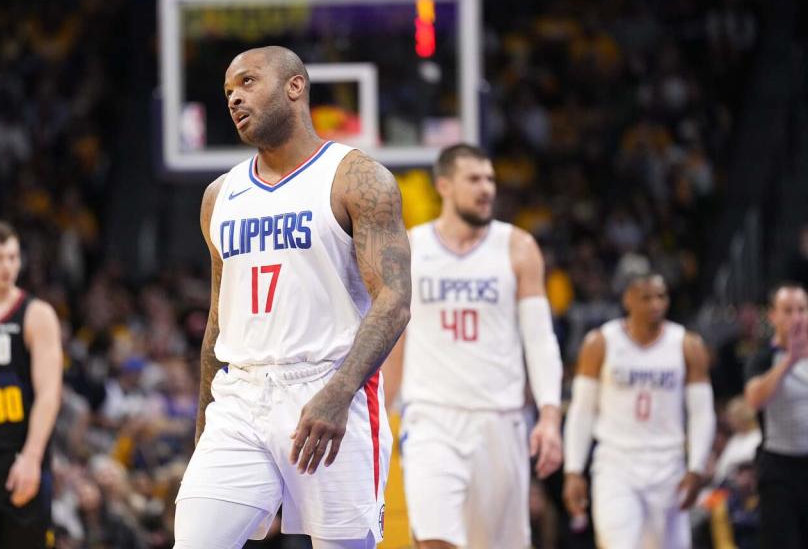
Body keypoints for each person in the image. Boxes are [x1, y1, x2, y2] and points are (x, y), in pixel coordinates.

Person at [173, 46, 411, 549]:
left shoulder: (357, 178)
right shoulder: (220, 194)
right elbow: (219, 321)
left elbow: (394, 298)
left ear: (295, 87)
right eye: (228, 91)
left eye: (248, 82)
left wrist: (340, 391)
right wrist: (203, 432)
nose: (235, 98)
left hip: (327, 384)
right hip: (240, 401)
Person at [381, 143, 564, 549]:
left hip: (500, 418)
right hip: (431, 418)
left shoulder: (518, 247)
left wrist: (549, 415)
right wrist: (378, 417)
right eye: (474, 179)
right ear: (444, 185)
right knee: (434, 539)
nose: (486, 189)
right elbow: (395, 341)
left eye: (490, 179)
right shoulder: (410, 248)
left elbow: (539, 337)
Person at [563, 272, 716, 548]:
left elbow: (702, 412)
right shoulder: (600, 342)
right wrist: (573, 469)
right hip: (616, 463)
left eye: (661, 296)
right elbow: (582, 410)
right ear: (628, 300)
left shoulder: (687, 344)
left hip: (668, 465)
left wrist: (696, 466)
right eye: (646, 297)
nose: (655, 304)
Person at [0, 221, 63, 549]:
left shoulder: (36, 314)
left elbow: (49, 395)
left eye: (13, 257)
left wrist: (32, 457)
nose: (7, 266)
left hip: (18, 459)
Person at [743, 282, 808, 548]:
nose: (796, 317)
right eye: (787, 310)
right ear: (773, 316)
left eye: (802, 310)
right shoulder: (762, 358)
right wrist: (789, 361)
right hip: (779, 470)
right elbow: (755, 399)